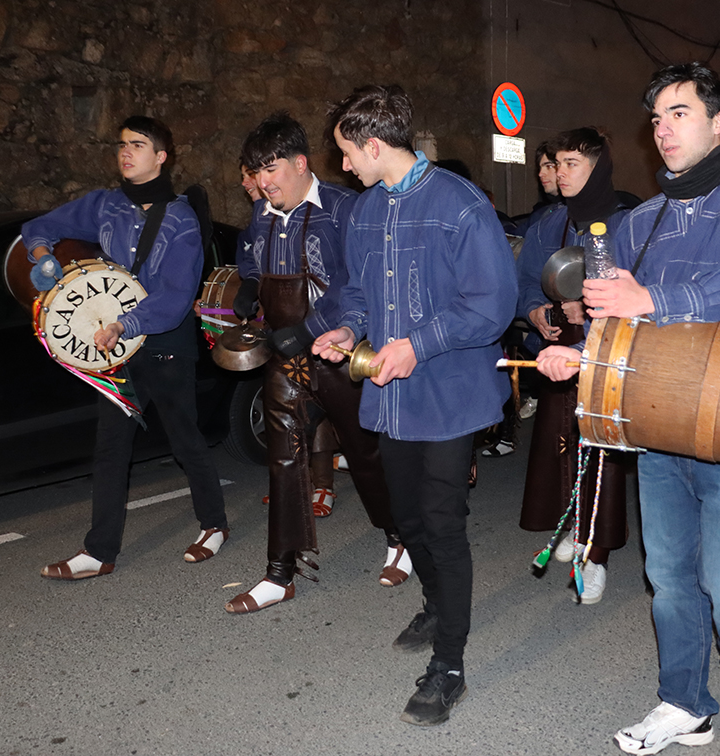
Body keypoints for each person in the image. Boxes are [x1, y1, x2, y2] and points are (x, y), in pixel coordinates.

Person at [538, 63, 720, 753]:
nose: (663, 129)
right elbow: (613, 315)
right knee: (669, 577)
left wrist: (653, 299)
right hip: (657, 418)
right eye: (656, 118)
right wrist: (581, 356)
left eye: (680, 113)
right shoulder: (641, 219)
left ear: (719, 122)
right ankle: (685, 702)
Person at [312, 84, 517, 726]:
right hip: (391, 394)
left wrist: (417, 344)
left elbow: (492, 305)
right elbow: (356, 291)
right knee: (406, 518)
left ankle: (449, 666)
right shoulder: (365, 211)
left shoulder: (461, 205)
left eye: (348, 152)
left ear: (374, 145)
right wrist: (347, 327)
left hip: (451, 393)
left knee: (441, 522)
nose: (344, 165)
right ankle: (436, 603)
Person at [26, 115, 229, 580]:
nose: (126, 152)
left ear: (161, 157)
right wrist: (43, 257)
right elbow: (40, 225)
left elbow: (176, 296)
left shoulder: (181, 219)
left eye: (138, 145)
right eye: (122, 144)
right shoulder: (105, 205)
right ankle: (99, 551)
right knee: (111, 447)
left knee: (184, 439)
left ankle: (214, 523)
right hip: (115, 346)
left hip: (163, 340)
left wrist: (124, 323)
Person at [224, 111, 409, 615]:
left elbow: (358, 281)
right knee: (283, 460)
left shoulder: (347, 208)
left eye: (271, 169)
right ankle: (279, 573)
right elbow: (250, 256)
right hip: (284, 357)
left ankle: (400, 537)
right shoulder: (262, 213)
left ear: (301, 163)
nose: (263, 182)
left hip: (340, 354)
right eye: (256, 172)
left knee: (365, 454)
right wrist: (248, 284)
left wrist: (310, 329)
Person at [516, 127, 632, 605]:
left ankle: (596, 552)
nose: (559, 174)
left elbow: (638, 291)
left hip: (605, 353)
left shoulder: (628, 223)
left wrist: (592, 310)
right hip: (558, 350)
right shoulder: (549, 222)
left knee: (599, 450)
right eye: (556, 164)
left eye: (571, 164)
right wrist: (534, 312)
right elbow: (524, 280)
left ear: (597, 168)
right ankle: (573, 524)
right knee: (561, 445)